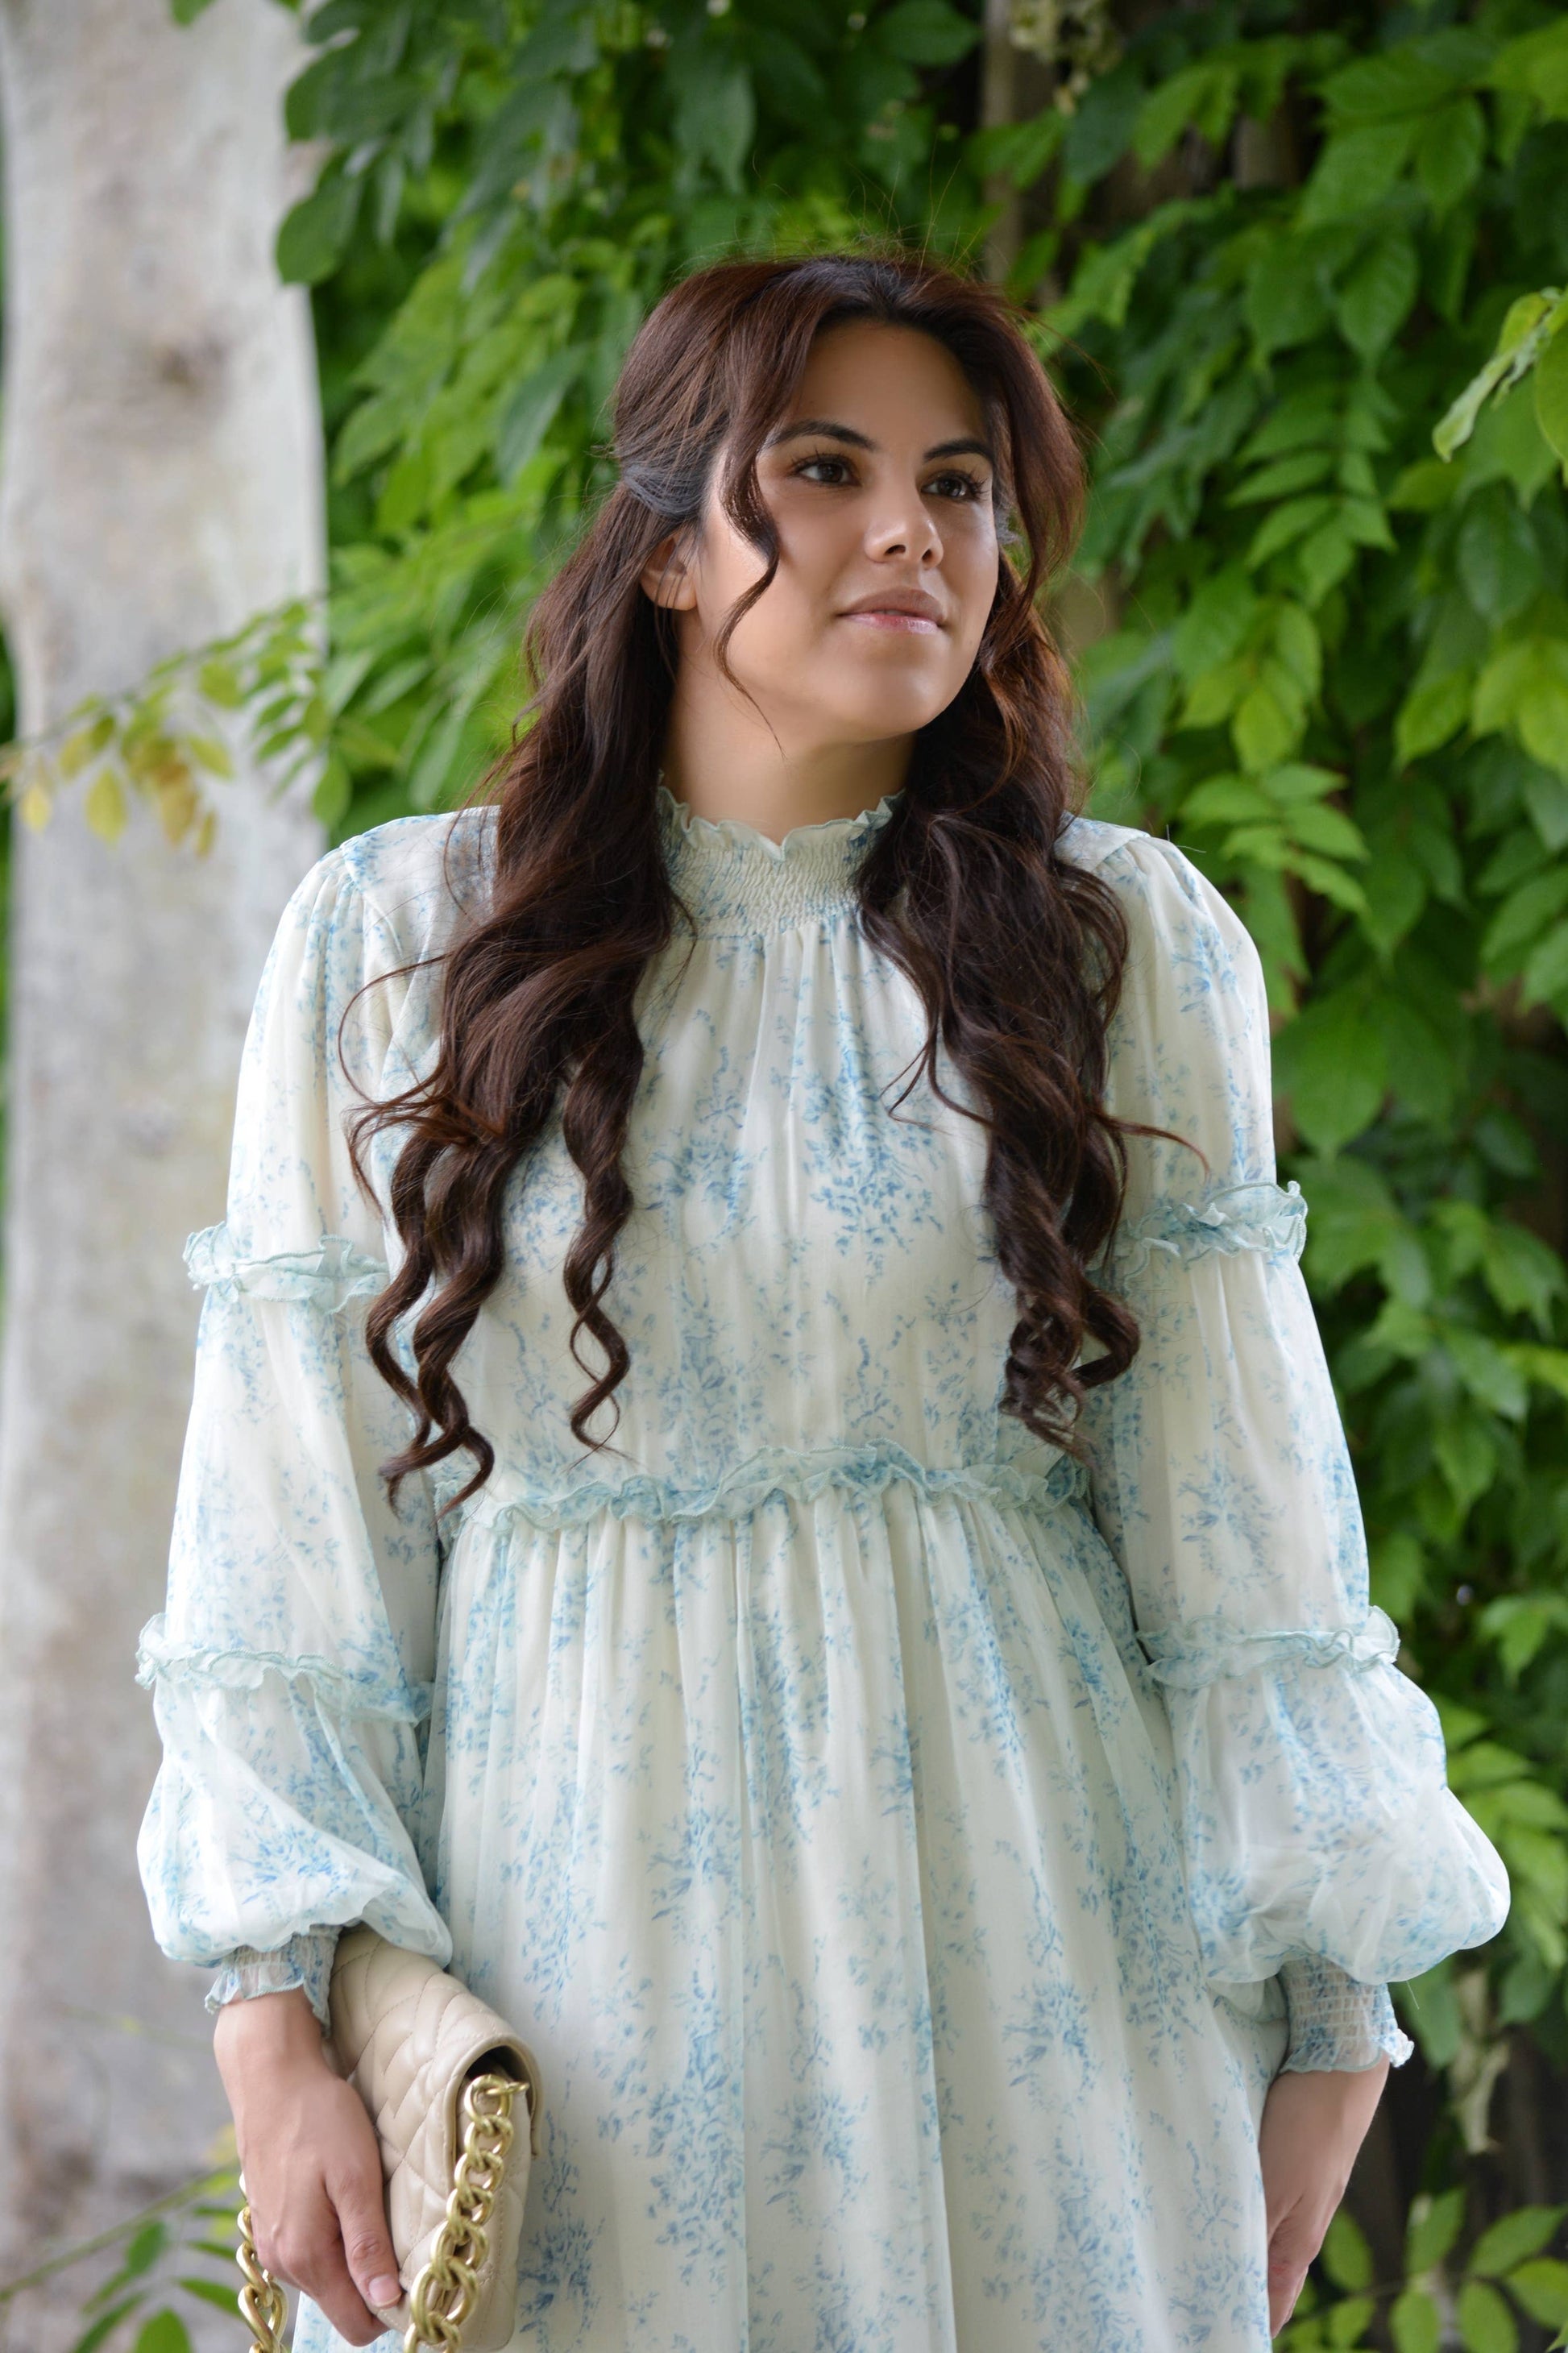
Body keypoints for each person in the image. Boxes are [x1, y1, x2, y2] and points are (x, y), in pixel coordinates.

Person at [135, 251, 1508, 2353]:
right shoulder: (401, 942)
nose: (912, 534)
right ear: (670, 545)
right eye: (827, 469)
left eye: (959, 484)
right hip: (576, 1952)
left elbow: (1241, 1522)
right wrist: (272, 2012)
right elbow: (284, 1543)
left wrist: (1337, 2009)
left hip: (1044, 1954)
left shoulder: (1115, 946)